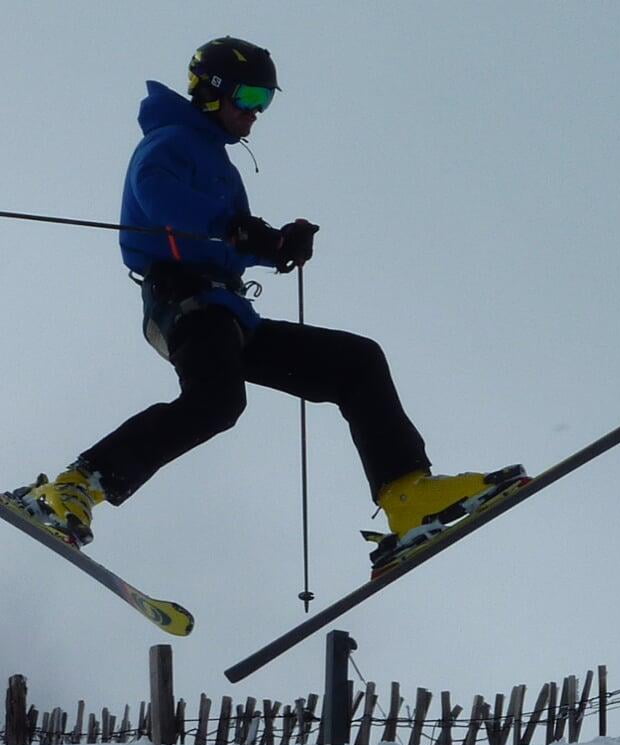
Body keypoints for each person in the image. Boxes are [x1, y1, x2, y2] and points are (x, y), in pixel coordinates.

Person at [11, 36, 515, 570]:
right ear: (212, 93)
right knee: (215, 401)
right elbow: (161, 198)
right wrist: (239, 230)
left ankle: (407, 494)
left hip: (227, 313)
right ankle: (75, 486)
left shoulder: (219, 166)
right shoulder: (171, 142)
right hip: (184, 304)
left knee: (356, 362)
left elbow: (226, 240)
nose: (255, 113)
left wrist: (275, 246)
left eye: (265, 101)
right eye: (249, 97)